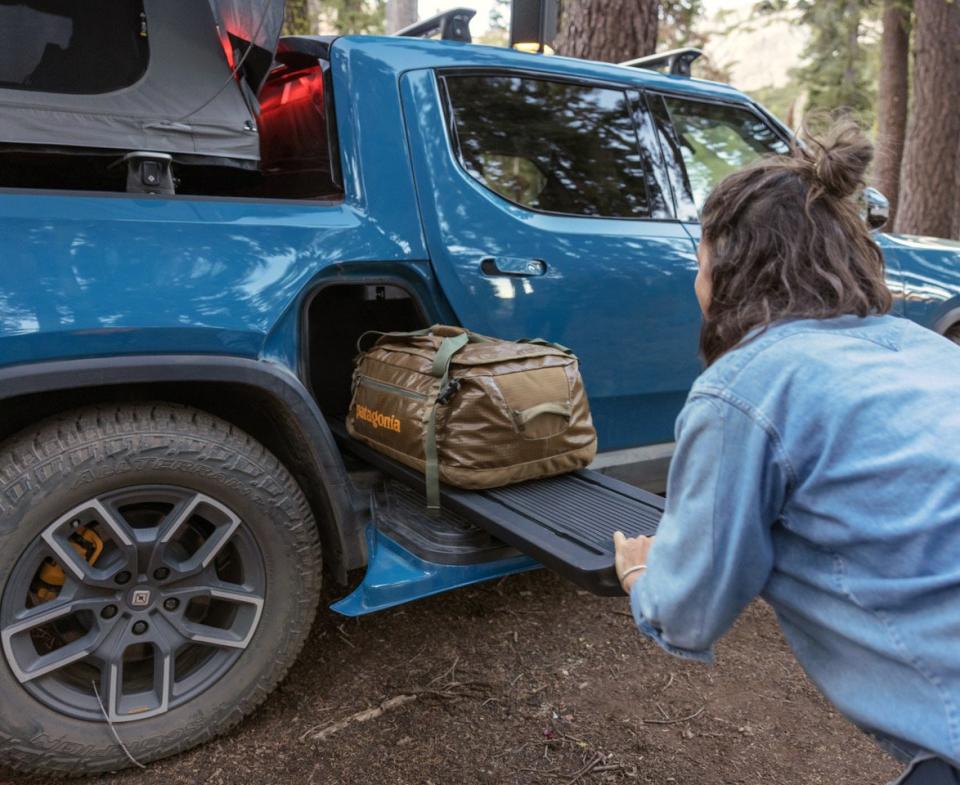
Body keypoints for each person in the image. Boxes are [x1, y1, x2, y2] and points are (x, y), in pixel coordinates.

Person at [612, 119, 960, 785]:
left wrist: (641, 576)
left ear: (728, 271)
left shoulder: (745, 390)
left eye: (700, 262)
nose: (697, 281)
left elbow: (690, 606)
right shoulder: (932, 350)